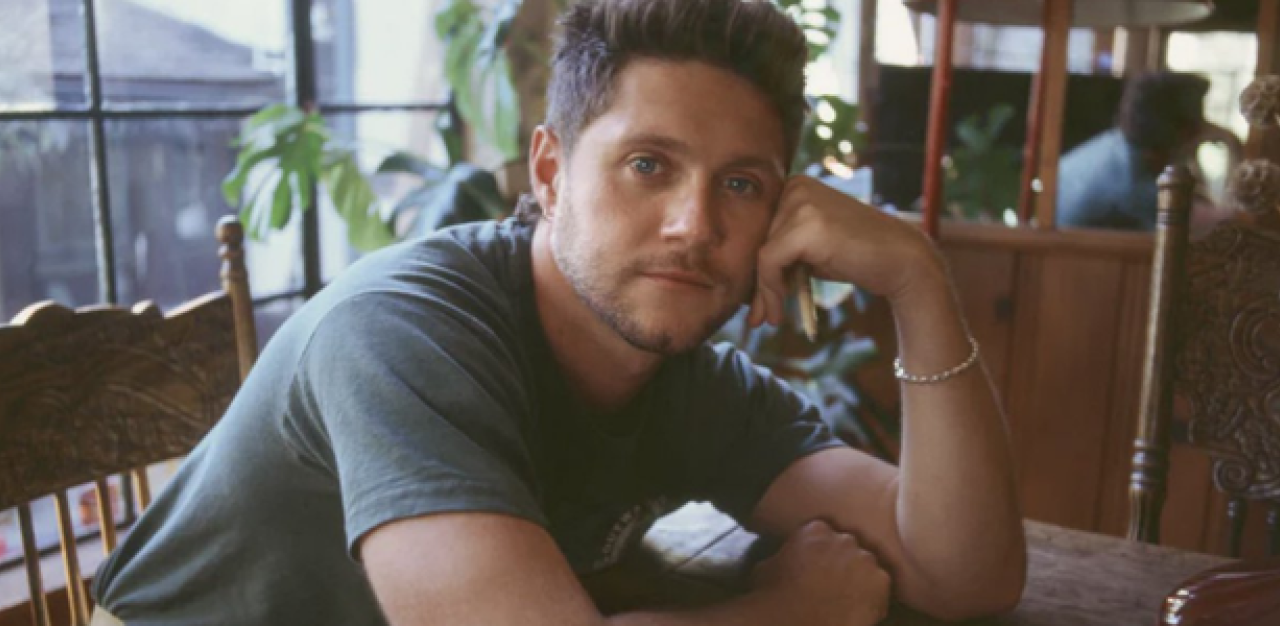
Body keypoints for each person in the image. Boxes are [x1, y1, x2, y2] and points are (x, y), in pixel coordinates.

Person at [90, 1, 1026, 624]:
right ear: (549, 171)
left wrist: (917, 282)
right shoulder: (402, 333)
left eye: (741, 184)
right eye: (648, 165)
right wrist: (786, 612)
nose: (695, 226)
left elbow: (965, 576)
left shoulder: (689, 381)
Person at [1057, 71, 1240, 231]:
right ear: (1184, 130)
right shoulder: (1130, 181)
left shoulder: (1117, 145)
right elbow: (1222, 224)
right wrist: (1234, 144)